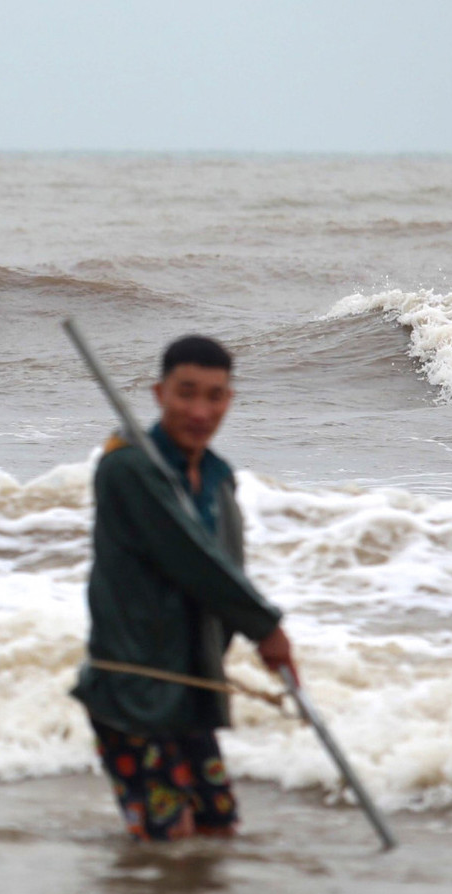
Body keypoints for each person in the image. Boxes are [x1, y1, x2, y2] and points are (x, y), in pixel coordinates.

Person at [71, 335, 295, 842]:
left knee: (218, 830)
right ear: (159, 394)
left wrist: (240, 639)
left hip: (191, 686)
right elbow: (190, 557)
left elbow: (226, 569)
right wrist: (265, 628)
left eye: (214, 396)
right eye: (186, 393)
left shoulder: (219, 478)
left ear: (229, 400)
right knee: (166, 840)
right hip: (132, 689)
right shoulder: (126, 468)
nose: (199, 411)